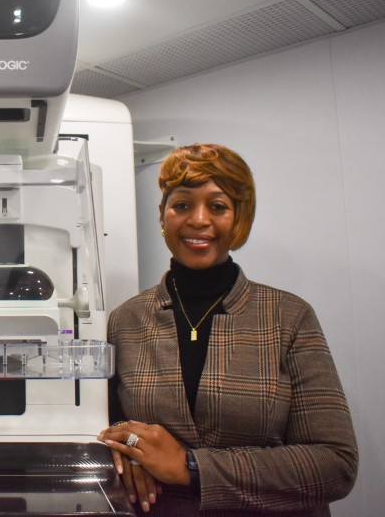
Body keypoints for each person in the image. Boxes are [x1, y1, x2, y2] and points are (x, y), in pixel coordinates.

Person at [98, 143, 357, 516]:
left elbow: (336, 464)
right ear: (162, 215)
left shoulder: (288, 316)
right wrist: (129, 451)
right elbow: (109, 424)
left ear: (239, 218)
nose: (198, 219)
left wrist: (191, 467)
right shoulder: (126, 320)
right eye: (182, 205)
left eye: (217, 206)